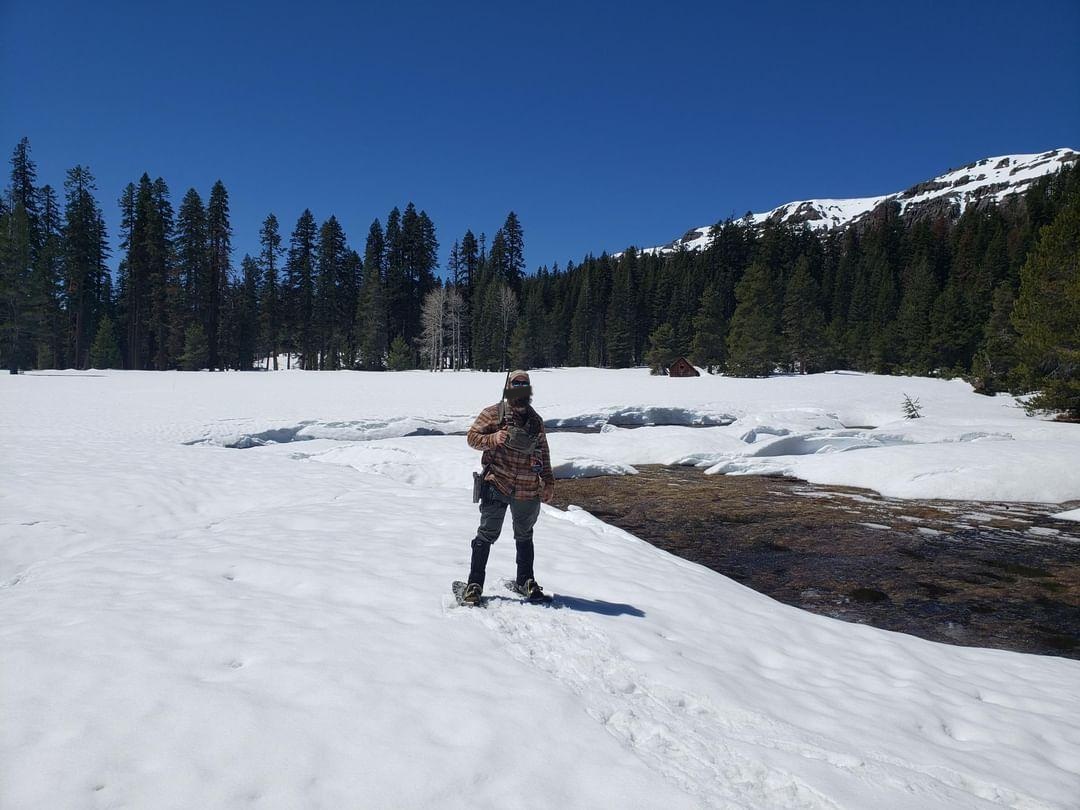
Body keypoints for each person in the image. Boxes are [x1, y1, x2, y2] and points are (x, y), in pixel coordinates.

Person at [461, 370, 555, 605]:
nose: (521, 388)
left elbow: (543, 452)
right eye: (516, 384)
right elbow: (471, 438)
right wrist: (493, 439)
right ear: (508, 387)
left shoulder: (535, 421)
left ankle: (526, 580)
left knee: (525, 535)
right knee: (487, 533)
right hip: (497, 484)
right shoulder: (492, 413)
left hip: (527, 488)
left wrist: (549, 482)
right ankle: (474, 584)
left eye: (525, 384)